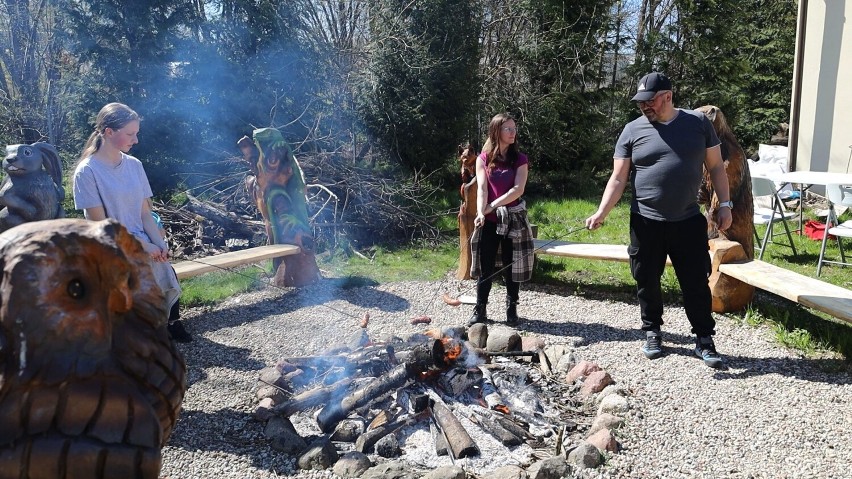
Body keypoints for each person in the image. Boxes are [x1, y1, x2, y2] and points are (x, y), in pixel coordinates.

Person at [584, 72, 732, 368]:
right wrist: (602, 212)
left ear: (668, 96)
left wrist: (725, 204)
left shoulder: (699, 124)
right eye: (641, 102)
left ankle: (704, 338)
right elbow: (618, 177)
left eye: (650, 101)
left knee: (695, 282)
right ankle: (652, 330)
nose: (644, 106)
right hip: (646, 221)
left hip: (688, 220)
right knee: (646, 278)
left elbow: (716, 168)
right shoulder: (632, 130)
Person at [71, 102, 192, 343]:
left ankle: (171, 322)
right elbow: (99, 225)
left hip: (143, 240)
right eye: (130, 134)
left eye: (136, 133)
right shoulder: (87, 172)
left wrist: (160, 243)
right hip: (111, 245)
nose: (135, 140)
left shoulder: (135, 166)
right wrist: (144, 247)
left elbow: (145, 214)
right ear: (108, 132)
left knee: (166, 269)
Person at [469, 113, 534, 326]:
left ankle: (511, 309)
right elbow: (482, 189)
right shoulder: (483, 159)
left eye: (514, 128)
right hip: (489, 221)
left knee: (510, 266)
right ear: (496, 131)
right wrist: (481, 212)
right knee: (485, 266)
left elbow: (518, 189)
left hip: (513, 219)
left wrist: (493, 206)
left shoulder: (520, 159)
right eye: (508, 129)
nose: (513, 132)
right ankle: (480, 310)